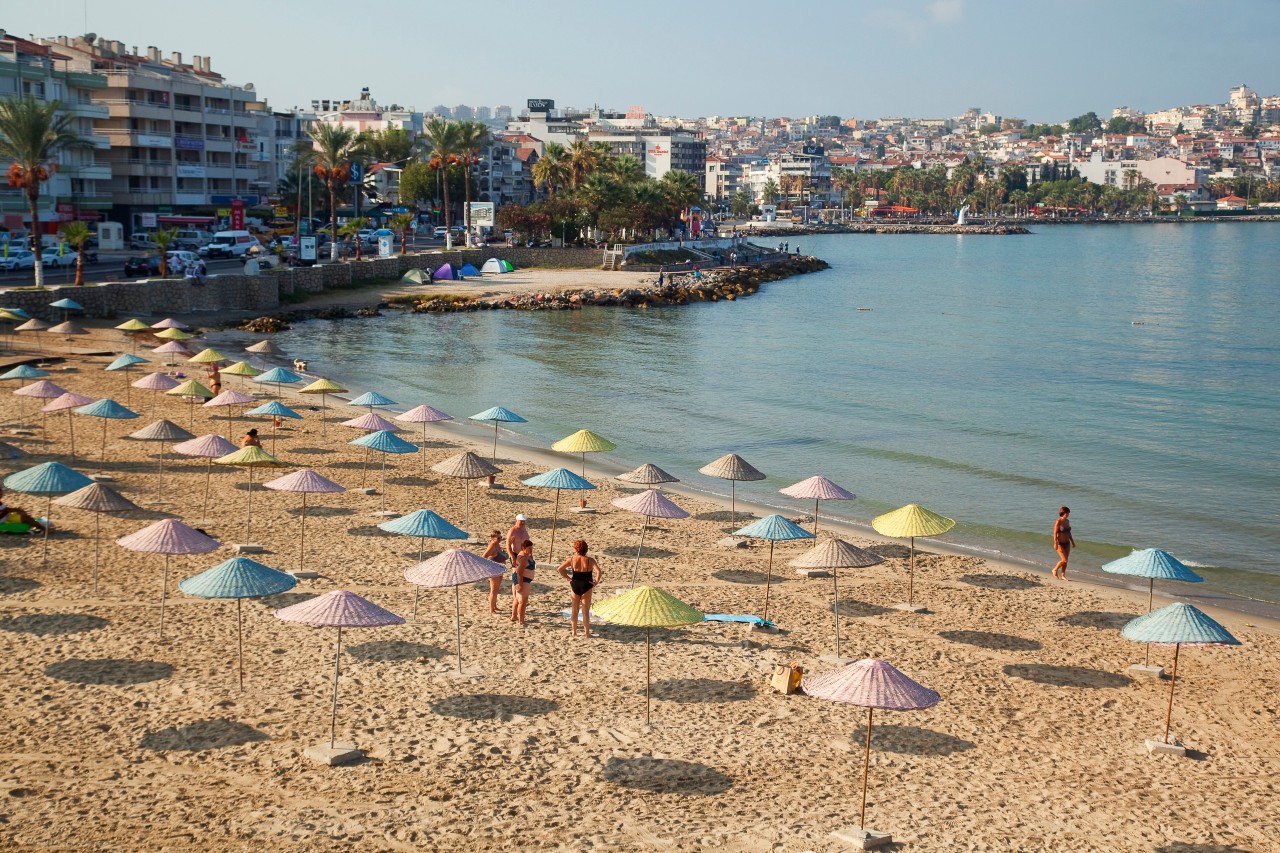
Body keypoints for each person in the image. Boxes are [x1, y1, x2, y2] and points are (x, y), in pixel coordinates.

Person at [557, 539, 603, 638]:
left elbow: (560, 569)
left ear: (576, 549)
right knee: (585, 612)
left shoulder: (572, 559)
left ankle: (574, 632)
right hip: (587, 585)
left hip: (575, 584)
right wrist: (596, 582)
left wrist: (568, 578)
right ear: (586, 549)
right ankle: (586, 633)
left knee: (575, 610)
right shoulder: (590, 560)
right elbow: (599, 572)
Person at [510, 539, 535, 625]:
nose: (531, 550)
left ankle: (514, 616)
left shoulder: (526, 555)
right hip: (523, 580)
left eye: (531, 548)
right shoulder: (523, 558)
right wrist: (519, 585)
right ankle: (521, 620)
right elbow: (519, 573)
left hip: (525, 580)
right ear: (523, 548)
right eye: (529, 548)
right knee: (522, 601)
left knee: (517, 599)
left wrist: (530, 555)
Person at [482, 529, 507, 614]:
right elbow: (484, 556)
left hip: (499, 569)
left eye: (501, 537)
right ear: (492, 538)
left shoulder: (498, 545)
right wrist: (487, 567)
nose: (500, 539)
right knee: (493, 590)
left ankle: (495, 606)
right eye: (498, 538)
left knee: (496, 590)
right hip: (494, 570)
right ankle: (491, 609)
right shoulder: (492, 546)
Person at [1053, 506, 1075, 579]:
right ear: (1063, 513)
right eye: (1067, 513)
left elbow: (1069, 533)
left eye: (1068, 513)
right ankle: (1055, 569)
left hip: (1067, 543)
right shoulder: (1058, 521)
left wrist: (1072, 542)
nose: (1068, 514)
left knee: (1066, 561)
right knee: (1064, 560)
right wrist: (1055, 543)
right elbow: (1055, 533)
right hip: (1060, 543)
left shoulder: (1067, 521)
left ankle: (1063, 575)